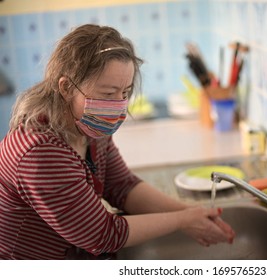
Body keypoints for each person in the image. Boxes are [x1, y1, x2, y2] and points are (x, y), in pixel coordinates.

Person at [0, 24, 235, 260]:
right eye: (108, 93)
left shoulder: (90, 128)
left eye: (125, 93)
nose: (118, 105)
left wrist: (192, 214)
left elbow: (122, 186)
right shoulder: (39, 153)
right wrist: (182, 220)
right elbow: (101, 235)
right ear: (66, 87)